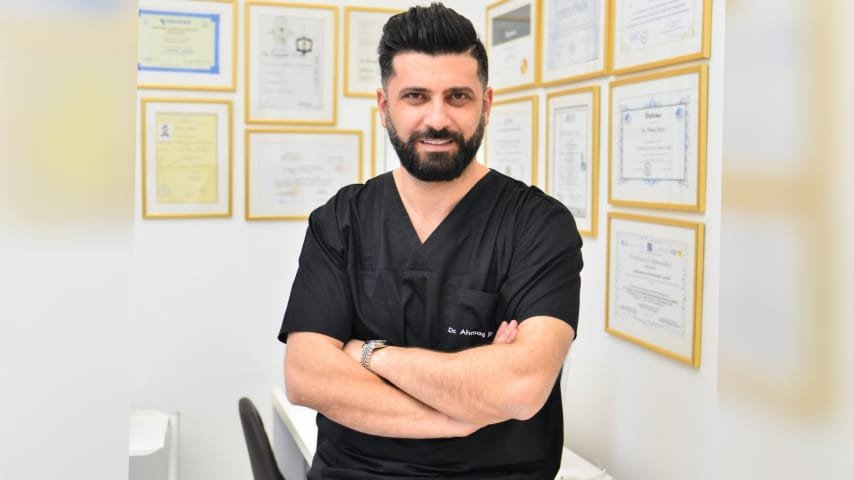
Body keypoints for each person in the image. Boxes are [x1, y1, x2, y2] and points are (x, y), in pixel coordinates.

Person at [278, 3, 583, 478]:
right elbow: (306, 376)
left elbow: (520, 388)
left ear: (486, 104)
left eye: (458, 96)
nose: (437, 119)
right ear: (384, 107)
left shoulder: (538, 226)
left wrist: (371, 354)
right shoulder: (341, 220)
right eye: (416, 96)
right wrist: (457, 417)